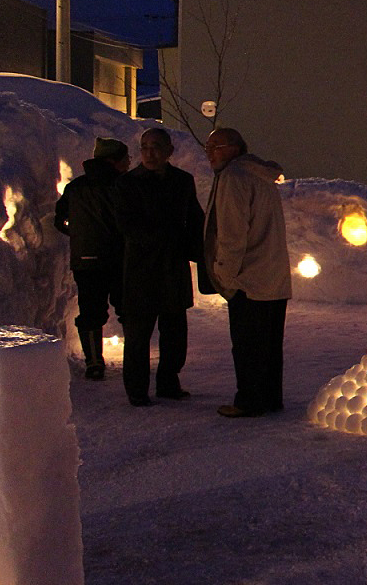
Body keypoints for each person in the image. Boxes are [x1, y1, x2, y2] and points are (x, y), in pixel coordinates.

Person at [110, 127, 205, 406]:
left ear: (169, 151)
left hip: (173, 268)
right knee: (138, 334)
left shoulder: (182, 181)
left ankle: (168, 381)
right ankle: (137, 388)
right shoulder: (126, 184)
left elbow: (194, 219)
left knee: (174, 332)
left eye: (156, 147)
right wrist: (166, 239)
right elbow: (127, 225)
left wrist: (199, 252)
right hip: (140, 269)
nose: (150, 153)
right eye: (145, 147)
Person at [203, 127, 291, 417]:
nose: (210, 152)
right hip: (272, 278)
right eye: (209, 146)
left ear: (236, 149)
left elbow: (232, 234)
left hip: (249, 279)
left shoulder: (233, 178)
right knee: (268, 345)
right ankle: (269, 397)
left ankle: (250, 401)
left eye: (218, 146)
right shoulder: (261, 177)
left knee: (248, 346)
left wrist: (225, 276)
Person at [54, 137, 130, 380]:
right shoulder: (124, 186)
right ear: (113, 160)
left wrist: (79, 234)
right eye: (125, 158)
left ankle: (94, 363)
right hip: (120, 259)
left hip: (86, 260)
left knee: (90, 311)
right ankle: (133, 359)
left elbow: (60, 220)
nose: (129, 163)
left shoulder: (75, 187)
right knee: (128, 309)